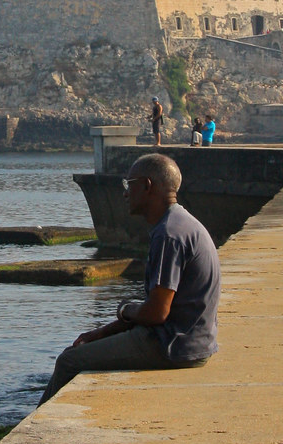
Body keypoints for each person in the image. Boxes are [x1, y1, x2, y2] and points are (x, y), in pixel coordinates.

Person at [38, 154, 220, 405]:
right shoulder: (180, 223)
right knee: (84, 349)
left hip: (175, 347)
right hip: (189, 340)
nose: (125, 193)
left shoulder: (169, 235)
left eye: (128, 184)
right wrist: (101, 332)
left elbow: (157, 313)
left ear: (147, 186)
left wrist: (125, 309)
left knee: (69, 361)